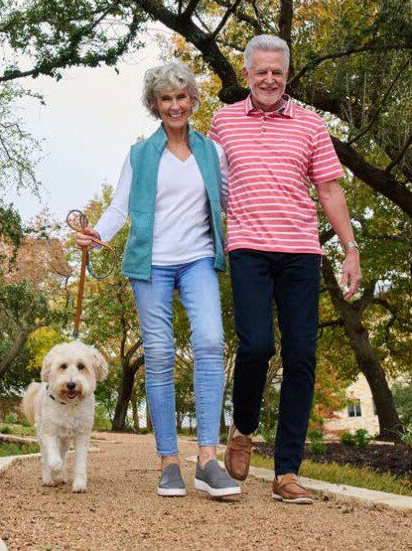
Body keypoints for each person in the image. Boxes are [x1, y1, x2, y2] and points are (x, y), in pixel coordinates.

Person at [74, 61, 240, 498]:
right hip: (150, 264)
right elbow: (117, 207)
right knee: (161, 355)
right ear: (155, 105)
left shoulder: (212, 152)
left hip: (199, 259)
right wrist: (97, 235)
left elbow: (230, 202)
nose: (175, 105)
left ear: (193, 101)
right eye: (165, 99)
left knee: (209, 342)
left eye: (181, 97)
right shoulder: (140, 154)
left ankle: (207, 459)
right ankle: (169, 462)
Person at [209, 34, 362, 504]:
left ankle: (287, 472)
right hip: (249, 249)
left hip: (301, 253)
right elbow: (211, 189)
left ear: (287, 74)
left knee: (301, 357)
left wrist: (350, 248)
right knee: (255, 346)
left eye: (278, 71)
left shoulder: (311, 125)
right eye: (261, 71)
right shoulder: (223, 122)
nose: (269, 78)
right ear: (248, 72)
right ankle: (243, 429)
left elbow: (330, 192)